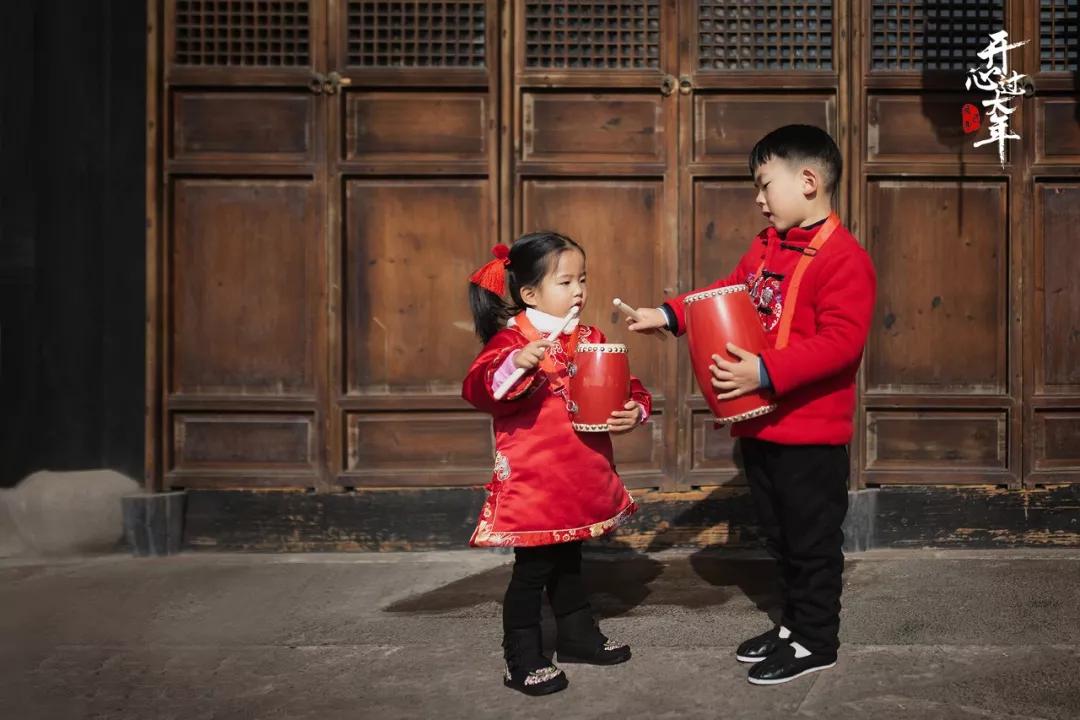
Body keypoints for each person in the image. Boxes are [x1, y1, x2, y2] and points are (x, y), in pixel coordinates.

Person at [628, 124, 876, 685]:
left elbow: (842, 344)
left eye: (765, 185)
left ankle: (817, 641)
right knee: (779, 537)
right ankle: (792, 628)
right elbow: (725, 293)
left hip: (810, 437)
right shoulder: (766, 247)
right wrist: (666, 315)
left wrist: (764, 370)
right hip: (762, 429)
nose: (759, 199)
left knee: (812, 544)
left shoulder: (845, 258)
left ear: (808, 181)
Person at [463, 231, 652, 695]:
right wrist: (520, 362)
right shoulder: (512, 340)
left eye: (582, 280)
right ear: (530, 294)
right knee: (533, 570)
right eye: (566, 282)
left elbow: (626, 385)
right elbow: (480, 388)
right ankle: (521, 656)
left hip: (579, 471)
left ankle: (577, 634)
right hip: (535, 478)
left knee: (569, 558)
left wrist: (634, 409)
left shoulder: (590, 337)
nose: (579, 291)